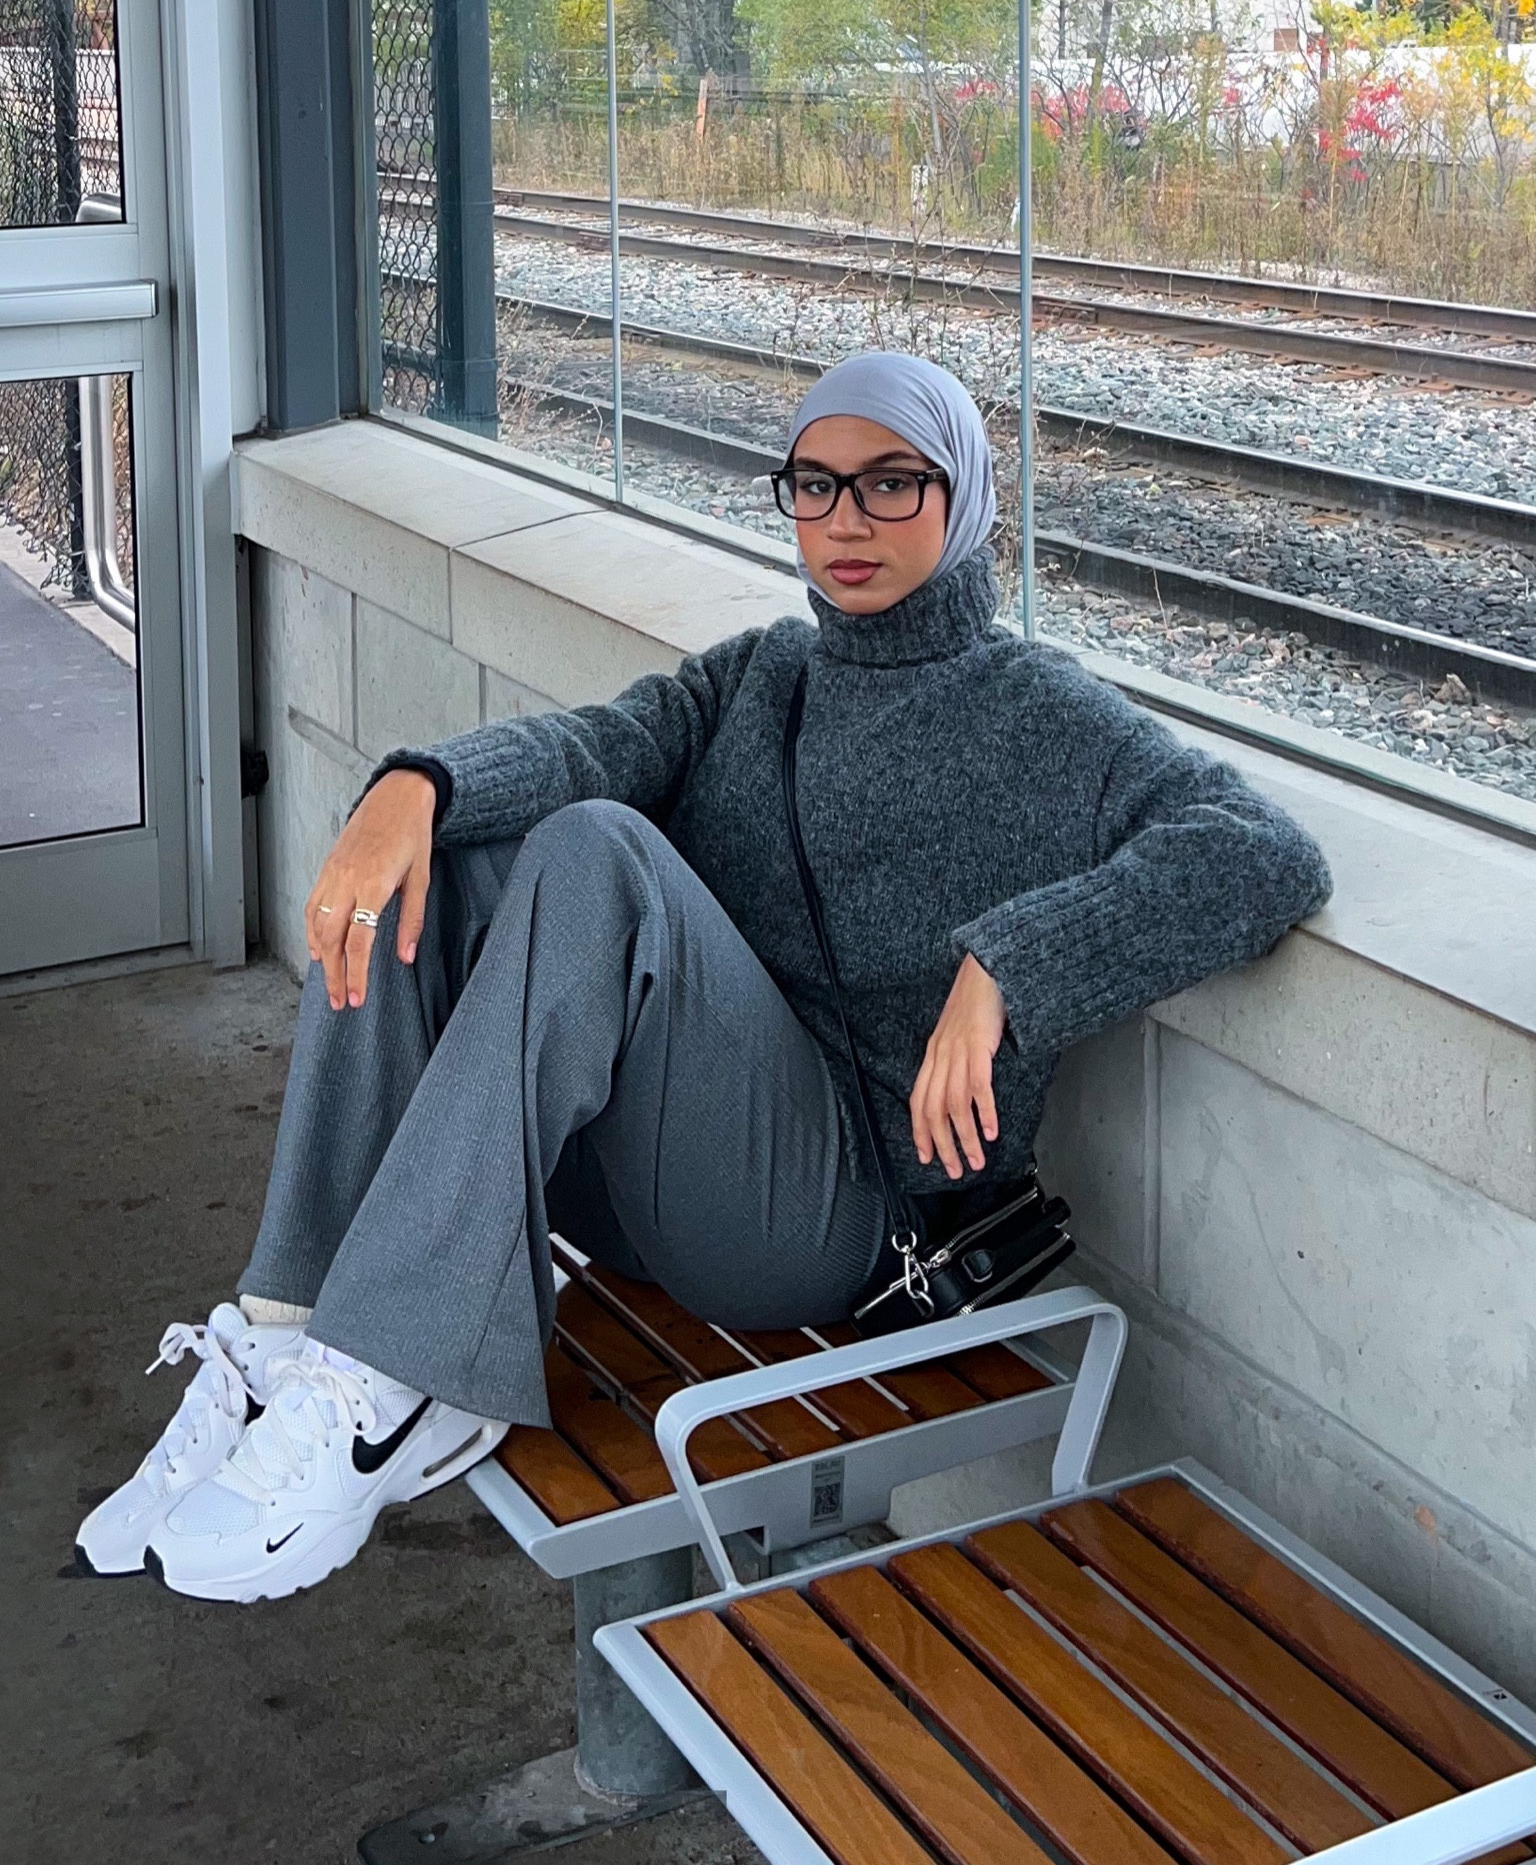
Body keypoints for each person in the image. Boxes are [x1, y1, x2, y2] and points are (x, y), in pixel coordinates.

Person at [76, 351, 1331, 1603]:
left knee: (599, 852)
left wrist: (1011, 962)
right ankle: (288, 1331)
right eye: (815, 484)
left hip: (827, 1220)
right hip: (647, 1188)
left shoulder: (1040, 713)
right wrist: (419, 784)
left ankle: (398, 1376)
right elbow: (601, 740)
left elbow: (1261, 851)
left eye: (893, 483)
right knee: (445, 863)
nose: (846, 520)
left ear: (968, 496)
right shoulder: (764, 673)